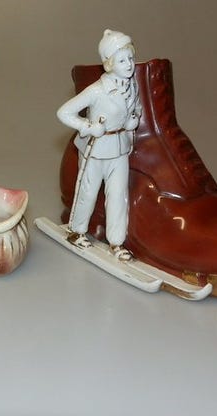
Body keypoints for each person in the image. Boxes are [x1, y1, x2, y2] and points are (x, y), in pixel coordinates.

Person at [57, 29, 141, 260]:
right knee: (88, 191)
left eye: (131, 58)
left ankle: (117, 242)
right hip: (96, 149)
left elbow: (135, 108)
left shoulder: (132, 86)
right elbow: (64, 112)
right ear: (108, 64)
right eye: (122, 60)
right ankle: (77, 231)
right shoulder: (97, 90)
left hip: (120, 148)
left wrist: (133, 120)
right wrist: (88, 126)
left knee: (118, 196)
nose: (129, 64)